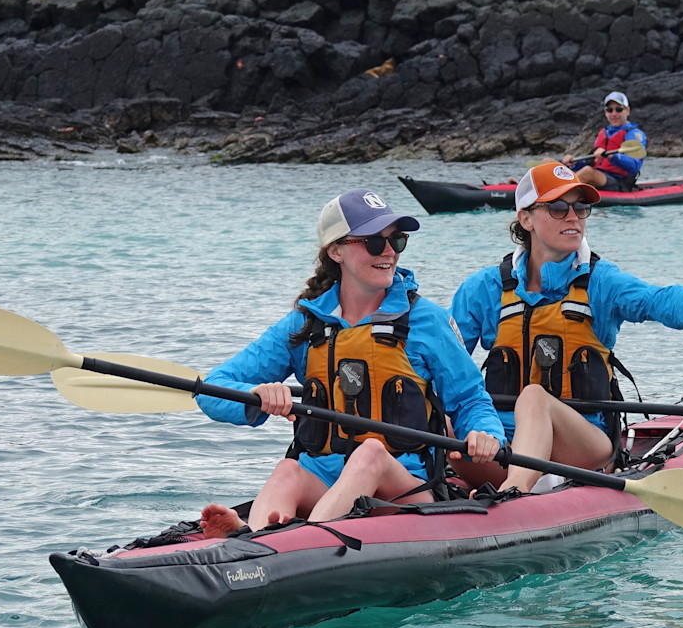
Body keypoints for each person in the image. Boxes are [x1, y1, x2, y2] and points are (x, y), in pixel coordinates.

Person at [196, 189, 505, 537]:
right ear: (335, 251)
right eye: (374, 242)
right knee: (288, 470)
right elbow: (213, 388)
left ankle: (298, 542)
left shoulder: (426, 320)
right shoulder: (305, 325)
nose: (388, 251)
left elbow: (471, 400)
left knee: (370, 454)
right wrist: (255, 394)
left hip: (404, 490)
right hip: (326, 481)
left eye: (397, 240)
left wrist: (486, 433)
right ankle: (249, 543)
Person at [450, 163, 683, 493]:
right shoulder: (484, 288)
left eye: (581, 207)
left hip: (582, 443)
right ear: (526, 218)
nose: (574, 217)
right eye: (559, 207)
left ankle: (513, 493)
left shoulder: (600, 282)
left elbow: (659, 300)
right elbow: (441, 361)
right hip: (500, 443)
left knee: (535, 398)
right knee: (443, 410)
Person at [564, 91, 647, 191]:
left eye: (619, 109)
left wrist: (613, 156)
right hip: (597, 175)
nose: (614, 114)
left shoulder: (634, 135)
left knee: (588, 172)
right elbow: (591, 161)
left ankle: (559, 194)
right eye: (610, 110)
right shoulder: (604, 133)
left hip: (618, 181)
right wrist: (574, 163)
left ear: (627, 111)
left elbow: (635, 166)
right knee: (550, 163)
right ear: (605, 112)